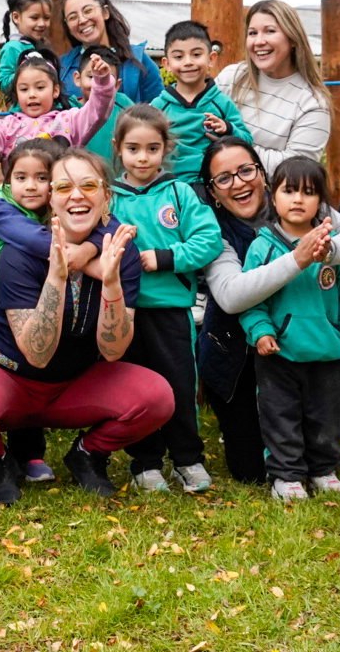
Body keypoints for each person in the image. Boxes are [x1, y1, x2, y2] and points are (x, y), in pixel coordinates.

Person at [0, 148, 173, 504]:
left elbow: (113, 349)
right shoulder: (18, 252)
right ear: (51, 199)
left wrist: (111, 285)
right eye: (64, 187)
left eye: (88, 185)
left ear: (106, 196)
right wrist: (57, 278)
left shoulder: (119, 255)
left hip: (74, 383)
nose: (77, 196)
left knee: (156, 397)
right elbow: (37, 353)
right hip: (10, 376)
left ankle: (87, 454)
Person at [197, 138, 340, 484]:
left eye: (246, 170)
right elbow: (233, 297)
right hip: (240, 355)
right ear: (213, 191)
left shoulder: (302, 204)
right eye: (224, 178)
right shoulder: (211, 231)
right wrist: (297, 258)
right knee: (251, 470)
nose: (238, 182)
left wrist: (325, 250)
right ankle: (279, 451)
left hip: (306, 341)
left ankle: (320, 452)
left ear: (262, 176)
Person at [241, 156, 340, 501]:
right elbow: (252, 299)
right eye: (289, 191)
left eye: (308, 192)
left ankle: (323, 470)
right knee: (281, 418)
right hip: (279, 354)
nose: (298, 199)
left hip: (327, 353)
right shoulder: (262, 246)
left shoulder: (332, 250)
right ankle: (286, 476)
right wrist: (261, 331)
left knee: (325, 417)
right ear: (272, 195)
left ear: (322, 202)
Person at [108, 105, 222, 493]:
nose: (143, 158)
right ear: (118, 148)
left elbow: (208, 240)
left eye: (153, 149)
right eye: (134, 148)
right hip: (124, 312)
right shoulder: (109, 198)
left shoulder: (180, 193)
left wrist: (165, 258)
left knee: (178, 385)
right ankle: (146, 462)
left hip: (172, 312)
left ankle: (188, 459)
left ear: (165, 149)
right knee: (136, 389)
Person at [0, 138, 72, 487]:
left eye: (41, 177)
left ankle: (29, 451)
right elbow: (35, 242)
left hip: (25, 297)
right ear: (7, 181)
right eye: (21, 177)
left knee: (27, 364)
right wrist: (77, 249)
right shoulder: (2, 206)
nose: (30, 186)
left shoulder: (54, 208)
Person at [215, 0, 331, 171]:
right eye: (252, 33)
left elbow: (294, 170)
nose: (259, 41)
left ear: (292, 39)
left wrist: (228, 144)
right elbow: (197, 121)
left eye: (270, 31)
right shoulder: (232, 77)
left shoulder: (312, 103)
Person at [0, 48, 117, 161]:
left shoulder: (68, 121)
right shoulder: (7, 126)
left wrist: (102, 81)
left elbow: (97, 112)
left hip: (58, 197)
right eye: (24, 89)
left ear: (56, 90)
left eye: (40, 87)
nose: (32, 94)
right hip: (15, 199)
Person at [149, 20, 252, 181]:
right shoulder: (158, 107)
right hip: (169, 186)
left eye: (196, 54)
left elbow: (247, 141)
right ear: (167, 64)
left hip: (213, 186)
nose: (188, 62)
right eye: (179, 56)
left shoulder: (222, 103)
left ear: (211, 59)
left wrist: (228, 129)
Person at [56, 0, 164, 104]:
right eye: (72, 17)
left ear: (105, 12)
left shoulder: (139, 61)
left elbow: (159, 113)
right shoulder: (61, 69)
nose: (82, 20)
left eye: (88, 10)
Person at [75, 45, 134, 163]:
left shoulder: (124, 105)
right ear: (77, 78)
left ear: (117, 85)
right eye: (91, 76)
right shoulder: (67, 110)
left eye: (107, 78)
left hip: (117, 180)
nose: (98, 83)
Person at [0, 0, 54, 91]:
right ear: (16, 17)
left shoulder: (42, 47)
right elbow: (3, 83)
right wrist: (28, 71)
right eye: (34, 18)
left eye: (46, 18)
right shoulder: (12, 47)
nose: (42, 24)